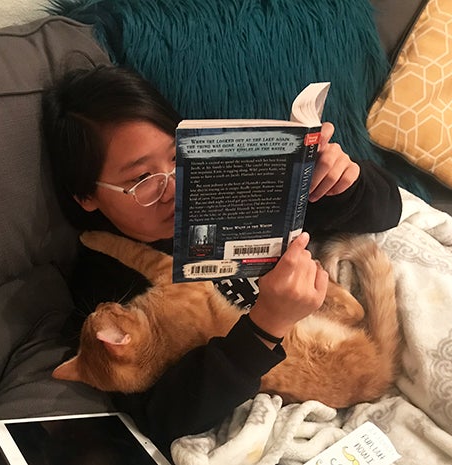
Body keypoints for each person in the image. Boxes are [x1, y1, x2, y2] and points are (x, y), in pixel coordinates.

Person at [41, 64, 402, 458]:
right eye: (142, 179)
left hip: (344, 332)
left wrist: (342, 182)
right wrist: (266, 326)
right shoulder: (107, 283)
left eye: (177, 157)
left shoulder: (227, 187)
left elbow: (387, 210)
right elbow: (162, 417)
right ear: (86, 196)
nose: (173, 187)